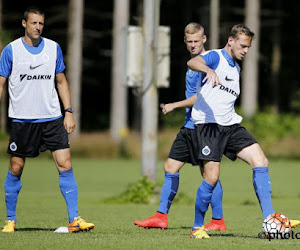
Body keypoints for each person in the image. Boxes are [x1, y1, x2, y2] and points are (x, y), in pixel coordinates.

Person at [0, 6, 94, 233]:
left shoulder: (53, 48)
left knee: (66, 164)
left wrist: (69, 111)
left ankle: (74, 219)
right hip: (23, 120)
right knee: (16, 166)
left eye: (41, 23)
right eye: (33, 23)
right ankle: (10, 220)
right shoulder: (11, 50)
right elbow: (1, 83)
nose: (38, 27)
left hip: (52, 118)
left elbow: (61, 81)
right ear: (24, 24)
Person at [133, 22, 226, 231]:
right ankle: (161, 216)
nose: (193, 45)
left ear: (204, 39)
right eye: (189, 41)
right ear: (185, 41)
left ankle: (218, 220)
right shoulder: (192, 63)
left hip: (204, 127)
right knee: (170, 167)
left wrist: (174, 105)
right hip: (189, 126)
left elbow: (200, 98)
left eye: (196, 41)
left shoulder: (207, 64)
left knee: (209, 174)